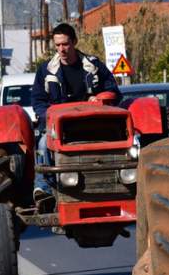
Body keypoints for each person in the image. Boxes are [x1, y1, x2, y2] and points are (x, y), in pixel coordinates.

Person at [30, 22, 121, 210]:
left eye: (65, 44)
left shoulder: (94, 66)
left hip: (93, 124)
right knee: (41, 144)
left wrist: (101, 97)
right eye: (57, 45)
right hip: (59, 127)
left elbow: (113, 91)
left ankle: (119, 183)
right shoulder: (46, 70)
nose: (61, 49)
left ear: (74, 42)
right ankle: (43, 189)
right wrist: (47, 115)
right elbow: (38, 101)